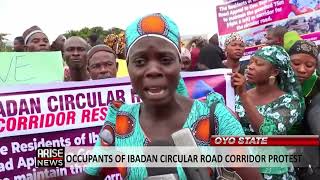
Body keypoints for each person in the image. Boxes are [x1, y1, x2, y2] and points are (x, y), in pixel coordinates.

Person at [83, 13, 261, 180]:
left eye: (165, 60)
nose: (153, 70)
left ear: (179, 64)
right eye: (140, 62)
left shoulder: (216, 117)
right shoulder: (118, 121)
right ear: (128, 68)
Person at [233, 46, 305, 179]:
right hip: (244, 168)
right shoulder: (239, 96)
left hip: (272, 172)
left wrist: (244, 96)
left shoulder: (290, 102)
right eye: (251, 62)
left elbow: (268, 133)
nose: (251, 67)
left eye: (259, 64)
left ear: (275, 71)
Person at [288, 40, 319, 134]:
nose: (302, 70)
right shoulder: (273, 83)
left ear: (315, 67)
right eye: (296, 63)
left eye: (309, 65)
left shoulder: (317, 85)